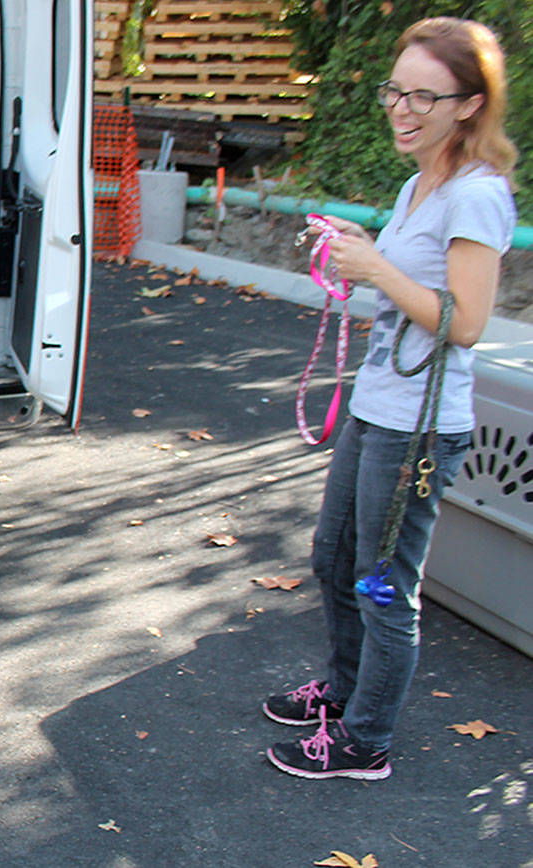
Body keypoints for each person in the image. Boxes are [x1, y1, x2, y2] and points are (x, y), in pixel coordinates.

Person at [263, 17, 517, 781]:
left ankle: (365, 741)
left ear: (470, 105)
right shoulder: (418, 182)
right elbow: (410, 291)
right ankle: (343, 692)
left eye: (423, 97)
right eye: (394, 91)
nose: (401, 109)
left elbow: (466, 324)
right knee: (333, 557)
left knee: (383, 583)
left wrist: (377, 269)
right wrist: (361, 253)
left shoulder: (478, 195)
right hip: (378, 407)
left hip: (420, 429)